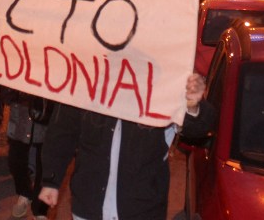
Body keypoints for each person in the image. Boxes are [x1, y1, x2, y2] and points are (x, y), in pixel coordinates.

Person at [38, 73, 216, 220]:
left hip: (142, 208)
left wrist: (192, 106)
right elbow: (63, 130)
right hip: (89, 204)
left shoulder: (165, 80)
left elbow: (199, 127)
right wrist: (51, 180)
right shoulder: (89, 75)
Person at [6, 91, 52, 220]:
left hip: (45, 116)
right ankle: (24, 193)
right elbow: (5, 95)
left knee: (44, 166)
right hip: (20, 117)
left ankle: (40, 210)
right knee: (15, 162)